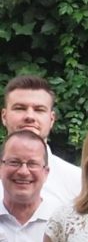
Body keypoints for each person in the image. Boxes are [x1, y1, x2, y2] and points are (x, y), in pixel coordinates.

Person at [1, 75, 81, 203]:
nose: (30, 116)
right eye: (20, 108)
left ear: (52, 119)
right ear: (4, 117)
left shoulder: (77, 182)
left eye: (39, 110)